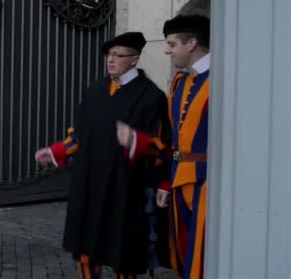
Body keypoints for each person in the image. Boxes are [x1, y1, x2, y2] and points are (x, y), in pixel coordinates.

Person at [35, 32, 171, 278]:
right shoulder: (95, 90)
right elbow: (80, 134)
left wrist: (161, 180)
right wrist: (56, 152)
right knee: (84, 249)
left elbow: (163, 146)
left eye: (118, 55)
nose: (111, 60)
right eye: (109, 55)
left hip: (126, 188)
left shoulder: (151, 97)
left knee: (123, 254)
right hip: (88, 184)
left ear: (134, 59)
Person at [117, 15, 210, 279]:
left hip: (208, 184)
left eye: (172, 44)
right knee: (181, 253)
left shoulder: (223, 80)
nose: (167, 49)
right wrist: (166, 182)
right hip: (179, 180)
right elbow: (172, 142)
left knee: (202, 256)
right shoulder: (179, 82)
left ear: (191, 43)